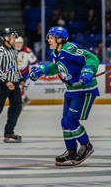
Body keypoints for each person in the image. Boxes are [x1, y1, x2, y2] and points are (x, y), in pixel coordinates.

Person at [29, 26, 99, 166]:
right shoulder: (55, 53)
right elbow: (56, 67)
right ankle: (71, 151)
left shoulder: (70, 49)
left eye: (51, 37)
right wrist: (42, 70)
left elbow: (91, 57)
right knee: (65, 122)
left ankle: (86, 146)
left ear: (60, 39)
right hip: (71, 90)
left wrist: (88, 70)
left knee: (71, 121)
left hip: (84, 90)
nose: (48, 39)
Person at [0, 28, 25, 144]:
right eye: (13, 36)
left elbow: (15, 68)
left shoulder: (14, 51)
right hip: (2, 84)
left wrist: (21, 79)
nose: (15, 39)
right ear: (6, 37)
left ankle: (9, 132)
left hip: (14, 83)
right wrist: (7, 81)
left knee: (17, 107)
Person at [14, 36, 38, 107]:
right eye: (16, 43)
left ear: (22, 43)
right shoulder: (10, 51)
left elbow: (35, 62)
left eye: (20, 43)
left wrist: (35, 71)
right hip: (14, 73)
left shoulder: (27, 51)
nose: (18, 45)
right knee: (16, 88)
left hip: (24, 72)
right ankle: (25, 99)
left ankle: (21, 101)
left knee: (20, 87)